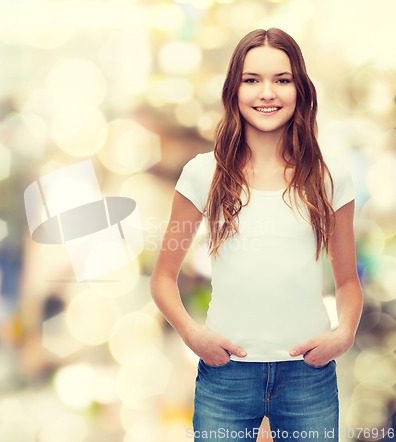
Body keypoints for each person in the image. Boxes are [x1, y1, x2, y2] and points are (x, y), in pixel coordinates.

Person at [150, 28, 363, 442]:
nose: (268, 93)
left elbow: (348, 281)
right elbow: (162, 278)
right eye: (253, 80)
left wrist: (344, 335)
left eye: (282, 80)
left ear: (300, 89)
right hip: (225, 374)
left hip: (309, 375)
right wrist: (194, 336)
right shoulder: (202, 173)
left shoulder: (329, 177)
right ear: (234, 90)